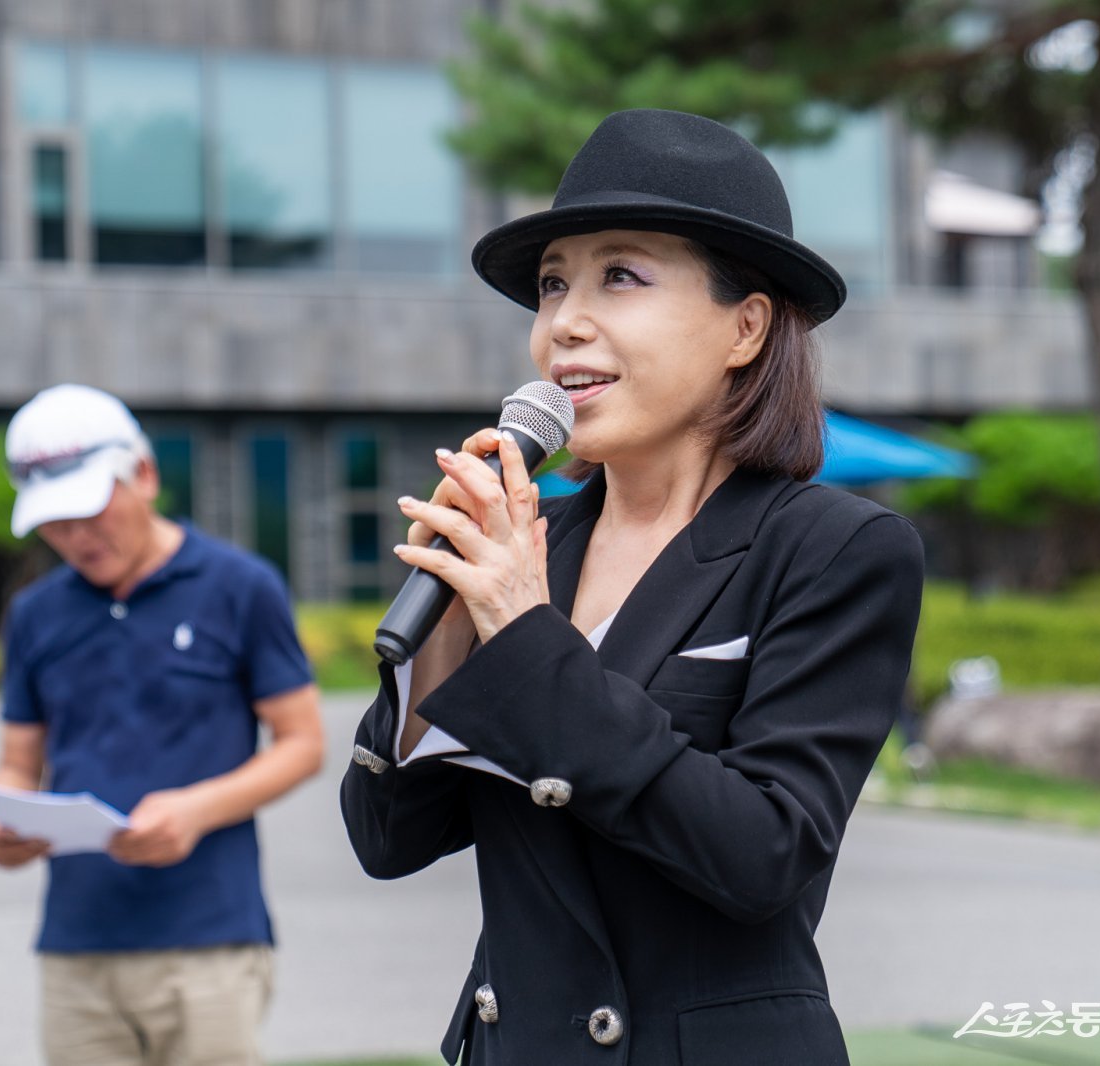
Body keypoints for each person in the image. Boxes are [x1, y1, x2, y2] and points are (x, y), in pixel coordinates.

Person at [339, 109, 924, 1065]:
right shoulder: (534, 546)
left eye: (622, 275)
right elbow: (387, 841)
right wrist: (445, 626)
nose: (565, 320)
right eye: (552, 284)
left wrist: (523, 632)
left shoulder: (835, 550)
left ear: (746, 326)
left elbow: (764, 856)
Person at [0, 383, 324, 1066]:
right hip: (76, 946)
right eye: (55, 522)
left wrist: (197, 809)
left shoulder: (240, 586)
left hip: (209, 940)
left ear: (143, 474)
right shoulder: (35, 614)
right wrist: (3, 822)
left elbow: (303, 742)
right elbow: (20, 759)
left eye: (88, 511)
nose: (75, 537)